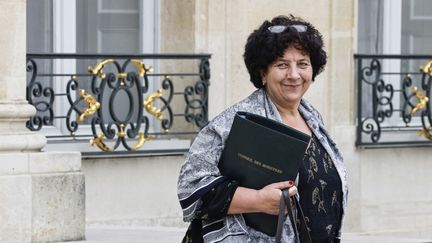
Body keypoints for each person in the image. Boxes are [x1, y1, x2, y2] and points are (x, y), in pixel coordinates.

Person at [177, 14, 348, 243]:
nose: (294, 75)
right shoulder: (236, 122)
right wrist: (257, 200)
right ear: (262, 73)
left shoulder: (312, 117)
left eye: (303, 64)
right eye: (282, 65)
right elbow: (190, 189)